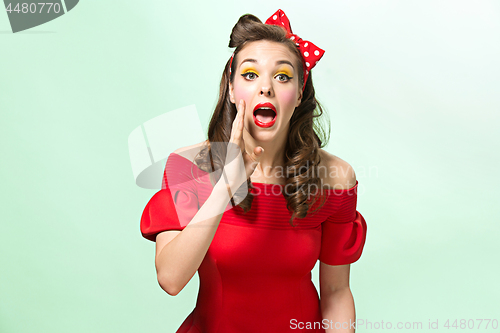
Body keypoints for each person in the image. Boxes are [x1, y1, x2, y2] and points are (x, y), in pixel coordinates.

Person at [140, 9, 367, 332]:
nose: (266, 88)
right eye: (250, 75)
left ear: (299, 93)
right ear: (231, 90)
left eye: (282, 76)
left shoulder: (335, 177)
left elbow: (336, 290)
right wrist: (226, 185)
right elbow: (171, 279)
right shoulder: (189, 166)